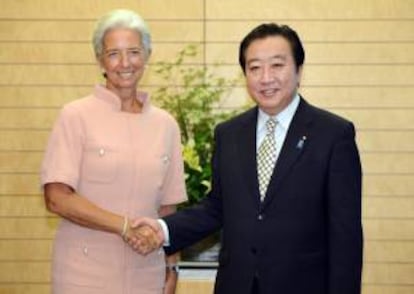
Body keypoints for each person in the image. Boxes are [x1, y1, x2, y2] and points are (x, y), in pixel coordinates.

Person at [131, 23, 363, 294]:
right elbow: (216, 207)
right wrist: (162, 229)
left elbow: (345, 236)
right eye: (254, 68)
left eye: (277, 65)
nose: (265, 77)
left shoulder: (333, 135)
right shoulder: (229, 134)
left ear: (299, 70)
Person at [40, 9, 187, 294]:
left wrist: (171, 267)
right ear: (100, 60)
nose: (125, 63)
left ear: (146, 55)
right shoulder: (75, 116)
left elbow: (168, 209)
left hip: (147, 273)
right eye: (113, 54)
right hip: (83, 274)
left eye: (133, 52)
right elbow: (56, 198)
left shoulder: (165, 124)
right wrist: (123, 226)